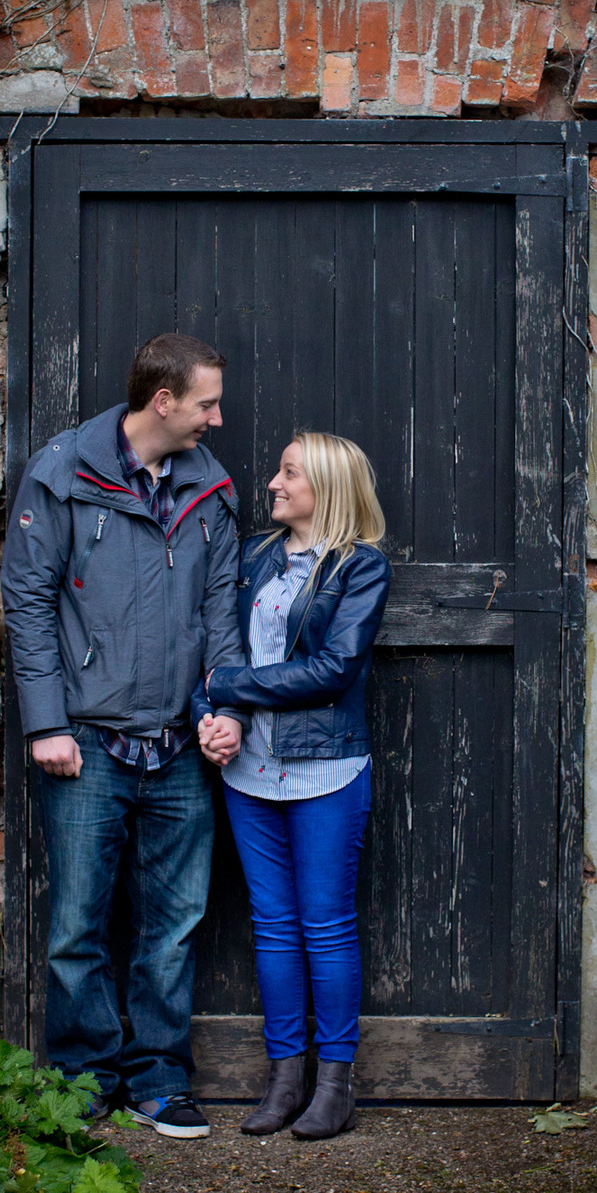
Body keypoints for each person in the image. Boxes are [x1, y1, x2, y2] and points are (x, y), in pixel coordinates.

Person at [1, 332, 246, 1139]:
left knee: (171, 926)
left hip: (179, 744)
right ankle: (79, 1080)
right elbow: (28, 602)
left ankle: (158, 1081)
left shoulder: (210, 486)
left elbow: (223, 615)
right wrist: (45, 724)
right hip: (86, 740)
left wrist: (226, 709)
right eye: (207, 402)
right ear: (164, 401)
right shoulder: (63, 471)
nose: (218, 416)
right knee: (78, 923)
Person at [196, 432, 391, 1140]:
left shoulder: (360, 568)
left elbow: (333, 670)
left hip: (326, 768)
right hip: (248, 774)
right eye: (276, 470)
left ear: (326, 489)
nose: (272, 483)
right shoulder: (251, 557)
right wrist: (215, 717)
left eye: (288, 473)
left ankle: (333, 1087)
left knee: (326, 926)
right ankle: (284, 1081)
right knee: (274, 928)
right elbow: (216, 650)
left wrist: (230, 689)